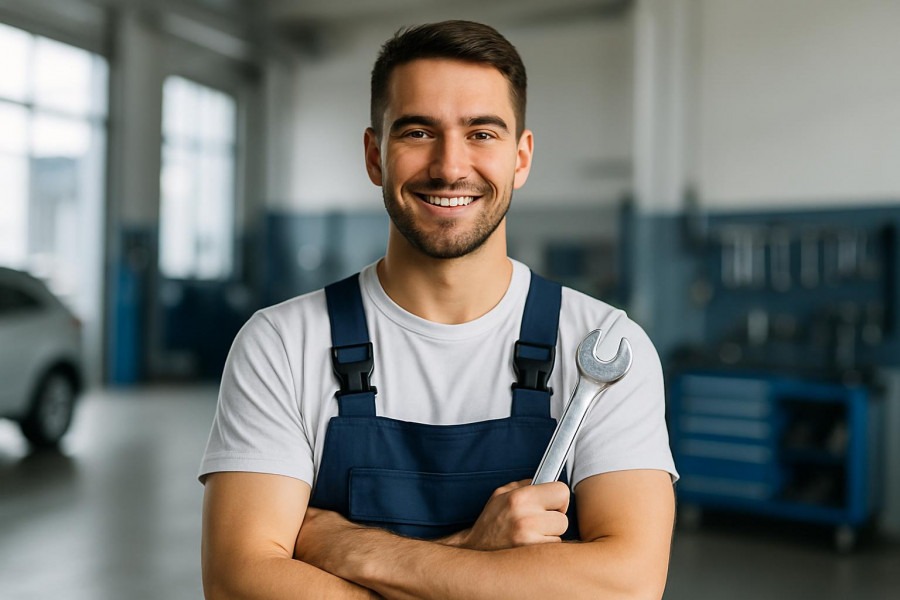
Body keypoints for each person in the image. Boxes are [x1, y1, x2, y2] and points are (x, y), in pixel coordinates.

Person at [200, 19, 677, 600]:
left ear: (521, 158)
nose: (450, 166)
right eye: (419, 132)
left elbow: (626, 587)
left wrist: (351, 548)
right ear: (375, 155)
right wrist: (476, 554)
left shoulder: (601, 344)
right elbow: (238, 582)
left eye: (482, 133)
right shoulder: (281, 343)